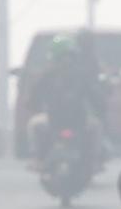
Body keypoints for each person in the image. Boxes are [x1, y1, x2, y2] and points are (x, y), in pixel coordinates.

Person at [27, 34, 104, 165]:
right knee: (96, 127)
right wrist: (99, 109)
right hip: (78, 121)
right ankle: (94, 160)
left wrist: (34, 107)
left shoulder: (47, 76)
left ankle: (38, 159)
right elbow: (95, 97)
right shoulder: (81, 75)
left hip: (55, 121)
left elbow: (34, 98)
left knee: (34, 124)